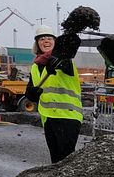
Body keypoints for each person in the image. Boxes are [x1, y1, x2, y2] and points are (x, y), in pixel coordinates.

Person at [25, 25, 83, 164]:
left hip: (68, 117)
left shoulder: (65, 59)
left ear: (55, 42)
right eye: (42, 38)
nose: (46, 41)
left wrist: (55, 61)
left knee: (66, 160)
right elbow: (30, 90)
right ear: (37, 43)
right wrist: (31, 94)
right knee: (55, 160)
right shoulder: (35, 66)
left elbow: (66, 65)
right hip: (49, 119)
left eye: (49, 38)